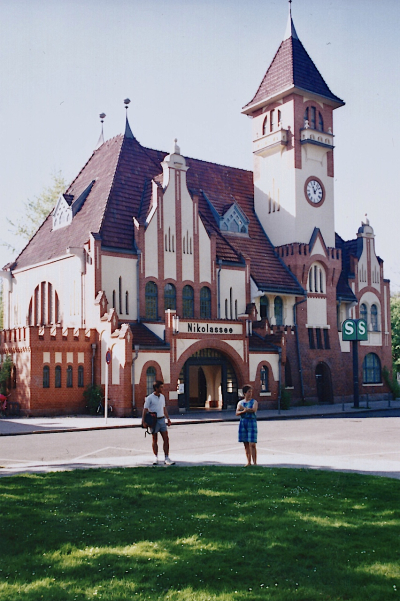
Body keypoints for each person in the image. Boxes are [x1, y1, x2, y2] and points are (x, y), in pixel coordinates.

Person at [142, 380, 175, 466]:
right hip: (154, 420)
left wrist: (168, 418)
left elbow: (164, 408)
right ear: (156, 388)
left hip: (162, 420)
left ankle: (167, 457)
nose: (162, 388)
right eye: (161, 387)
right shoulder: (150, 398)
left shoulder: (162, 397)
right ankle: (155, 457)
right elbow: (145, 409)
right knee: (155, 439)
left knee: (166, 438)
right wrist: (143, 421)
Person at [236, 385, 258, 466]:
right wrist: (244, 411)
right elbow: (237, 412)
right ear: (244, 393)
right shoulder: (240, 402)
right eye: (249, 392)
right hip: (243, 423)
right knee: (246, 444)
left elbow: (254, 409)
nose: (250, 393)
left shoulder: (254, 402)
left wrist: (244, 409)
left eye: (251, 392)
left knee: (252, 444)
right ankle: (248, 462)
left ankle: (255, 462)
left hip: (251, 422)